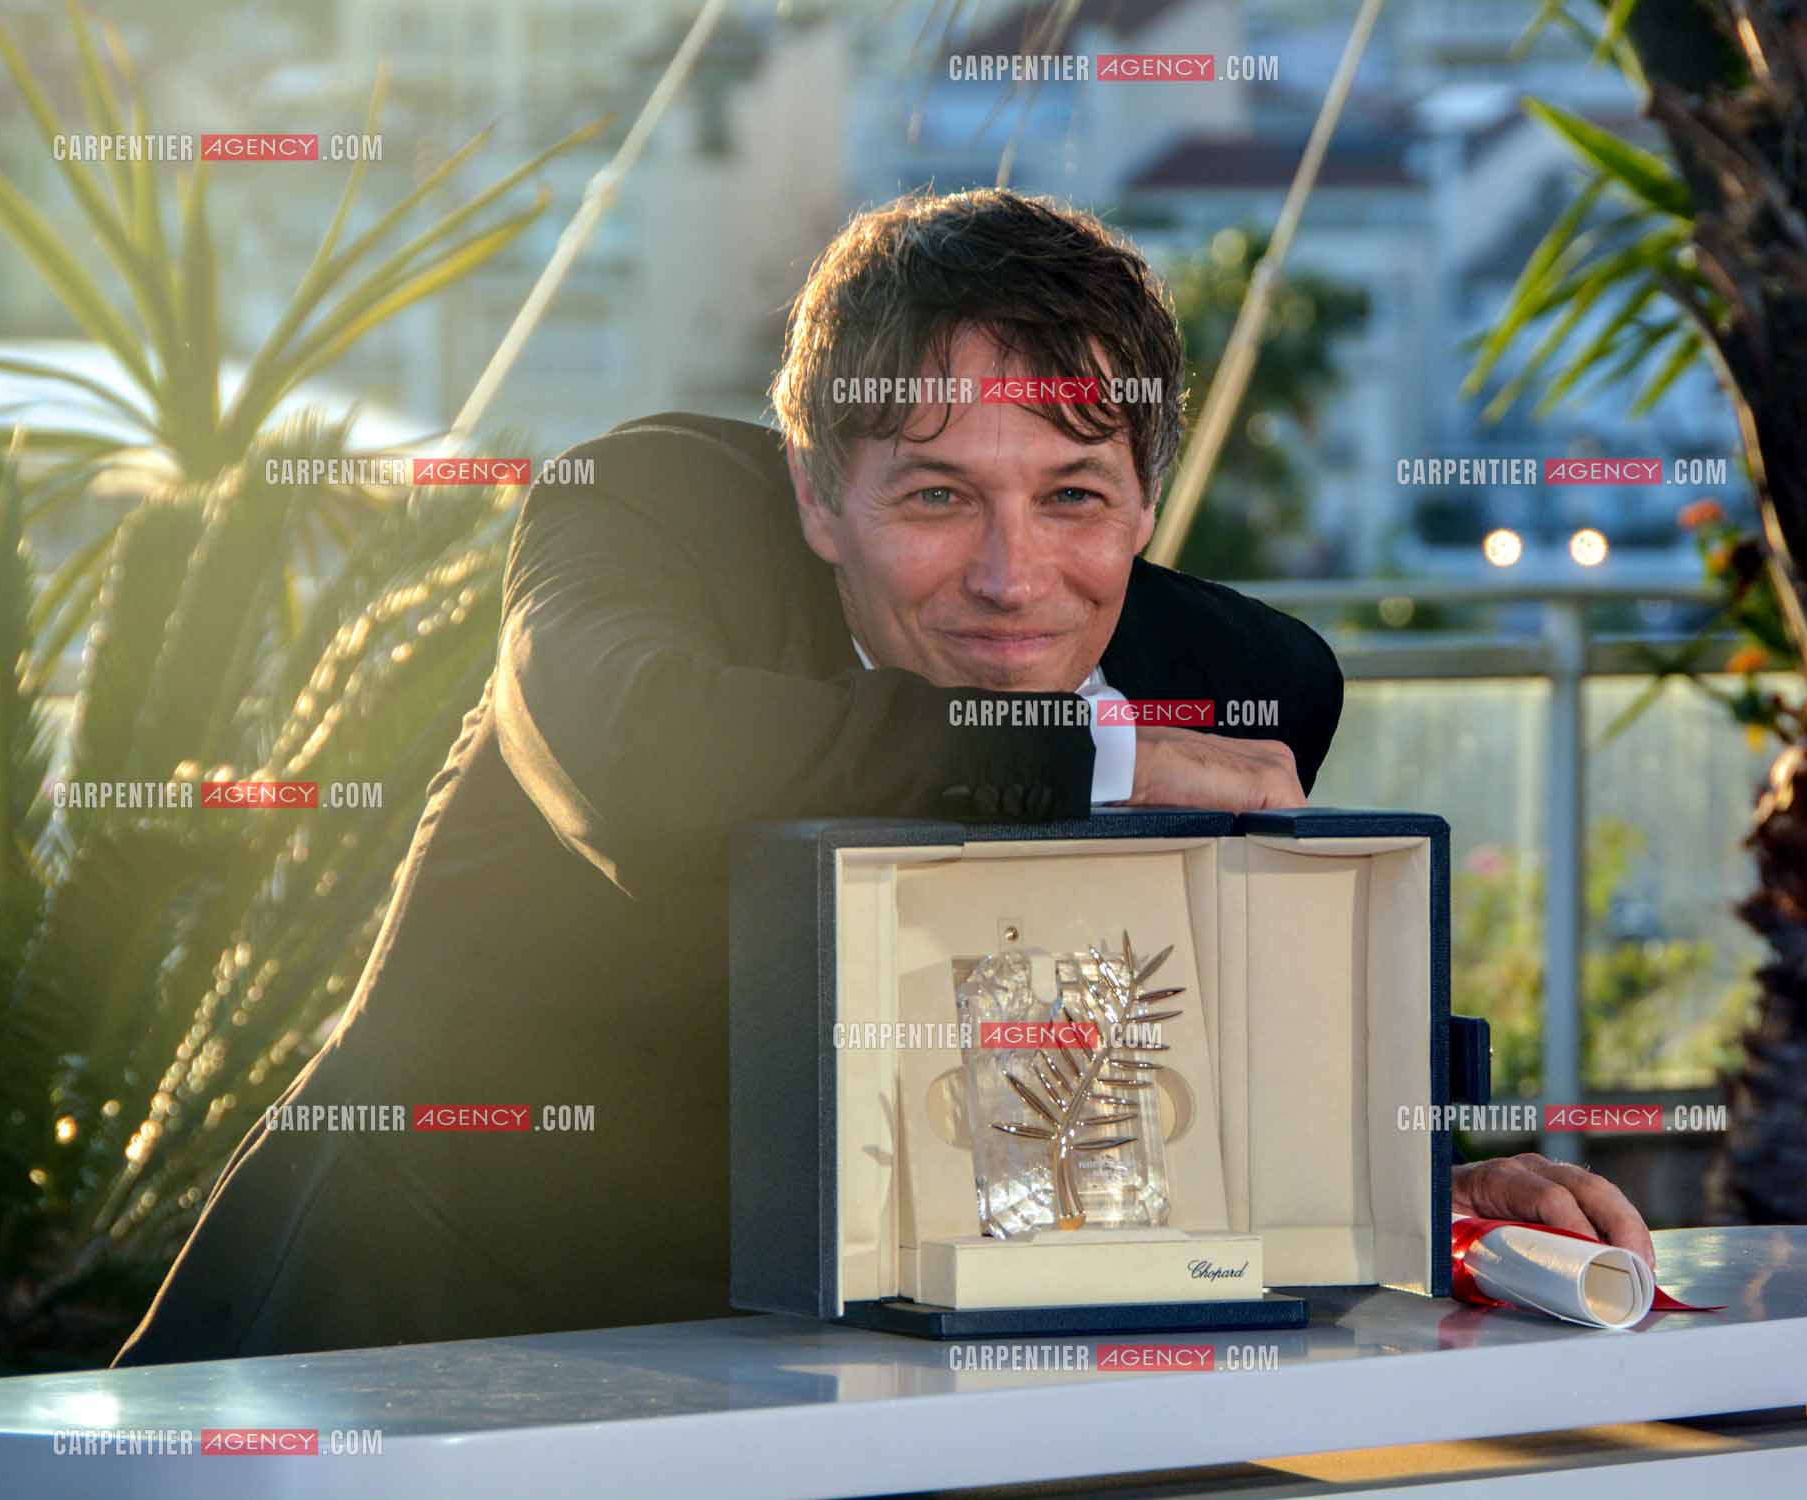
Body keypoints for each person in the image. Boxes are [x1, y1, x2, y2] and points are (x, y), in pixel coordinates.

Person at [112, 188, 1649, 1368]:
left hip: (869, 1366)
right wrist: (1095, 760)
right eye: (933, 494)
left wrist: (1415, 1186)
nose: (1011, 575)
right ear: (815, 496)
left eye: (1074, 497)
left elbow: (1164, 1062)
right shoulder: (655, 510)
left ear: (1147, 498)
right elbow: (642, 758)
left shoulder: (1255, 684)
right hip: (428, 1328)